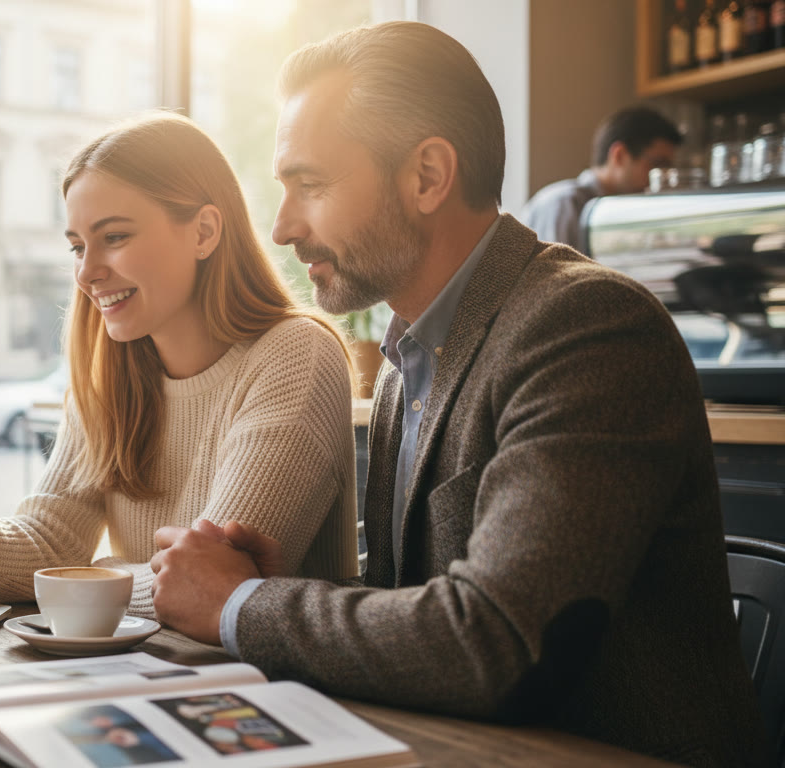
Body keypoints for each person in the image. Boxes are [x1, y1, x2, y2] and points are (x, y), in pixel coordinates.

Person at [148, 22, 760, 768]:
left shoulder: (588, 326)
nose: (282, 227)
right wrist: (273, 585)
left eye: (309, 185)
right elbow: (424, 613)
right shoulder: (411, 354)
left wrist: (240, 605)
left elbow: (494, 639)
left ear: (428, 176)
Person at [0, 113, 360, 616]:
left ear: (204, 232)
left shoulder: (294, 356)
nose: (88, 272)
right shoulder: (111, 374)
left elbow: (209, 585)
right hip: (155, 673)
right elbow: (48, 545)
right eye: (78, 246)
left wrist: (89, 573)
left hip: (279, 696)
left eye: (115, 237)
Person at [521, 106, 681, 251]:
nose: (664, 176)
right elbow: (554, 280)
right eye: (658, 164)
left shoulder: (620, 211)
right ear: (619, 155)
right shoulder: (564, 204)